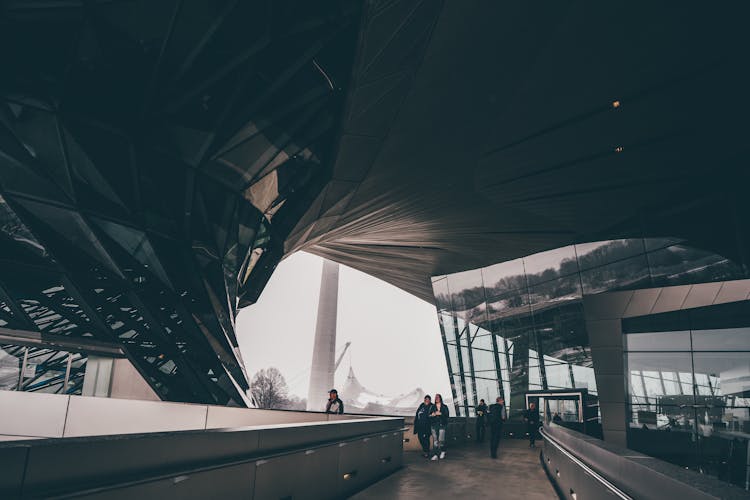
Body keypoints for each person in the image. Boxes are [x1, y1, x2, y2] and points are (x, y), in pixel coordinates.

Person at [430, 393, 449, 460]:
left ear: (440, 398)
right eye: (435, 397)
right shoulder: (432, 407)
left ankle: (442, 451)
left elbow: (447, 415)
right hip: (434, 425)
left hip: (442, 425)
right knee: (435, 441)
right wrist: (432, 415)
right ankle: (435, 455)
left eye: (438, 397)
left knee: (441, 440)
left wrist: (441, 414)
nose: (436, 398)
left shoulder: (444, 406)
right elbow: (429, 415)